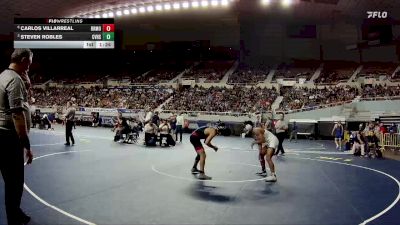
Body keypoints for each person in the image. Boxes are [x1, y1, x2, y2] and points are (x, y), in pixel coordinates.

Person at [0, 48, 34, 225]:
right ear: (22, 59)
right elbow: (17, 116)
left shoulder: (3, 76)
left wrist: (26, 83)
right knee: (14, 182)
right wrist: (26, 146)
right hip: (9, 138)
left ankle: (16, 212)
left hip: (2, 135)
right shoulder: (14, 80)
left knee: (10, 181)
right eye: (29, 62)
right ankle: (14, 218)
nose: (29, 66)